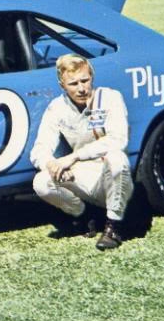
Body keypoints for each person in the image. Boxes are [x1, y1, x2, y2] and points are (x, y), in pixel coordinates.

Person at [30, 53, 133, 250]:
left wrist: (73, 157)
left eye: (85, 80)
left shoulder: (109, 97)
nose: (81, 88)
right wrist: (53, 166)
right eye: (73, 83)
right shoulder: (57, 107)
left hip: (111, 175)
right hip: (82, 174)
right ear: (62, 85)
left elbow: (118, 139)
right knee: (41, 182)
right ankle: (85, 216)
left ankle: (114, 226)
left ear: (91, 77)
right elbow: (39, 149)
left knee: (117, 158)